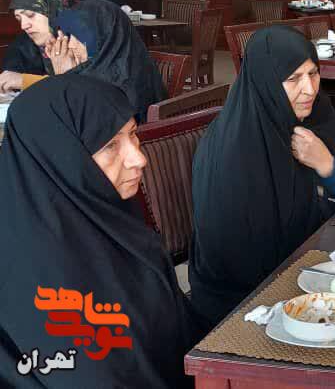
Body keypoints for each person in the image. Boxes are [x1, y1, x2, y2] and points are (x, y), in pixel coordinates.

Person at [0, 75, 204, 387]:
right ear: (62, 159)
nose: (139, 158)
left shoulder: (107, 215)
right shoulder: (39, 276)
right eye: (110, 145)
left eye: (133, 134)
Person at [189, 26, 335, 327]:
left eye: (313, 73)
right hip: (246, 303)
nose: (309, 89)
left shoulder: (317, 117)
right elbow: (237, 254)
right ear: (266, 82)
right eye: (293, 79)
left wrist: (327, 166)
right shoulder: (233, 149)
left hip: (314, 268)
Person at [48, 0, 166, 122]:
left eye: (80, 36)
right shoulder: (105, 64)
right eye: (70, 36)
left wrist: (64, 79)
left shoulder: (122, 83)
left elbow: (76, 123)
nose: (71, 45)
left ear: (106, 37)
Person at [2, 0, 66, 93]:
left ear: (54, 11)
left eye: (30, 15)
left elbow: (87, 88)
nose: (23, 26)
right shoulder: (21, 46)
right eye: (19, 19)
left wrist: (26, 81)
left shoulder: (84, 41)